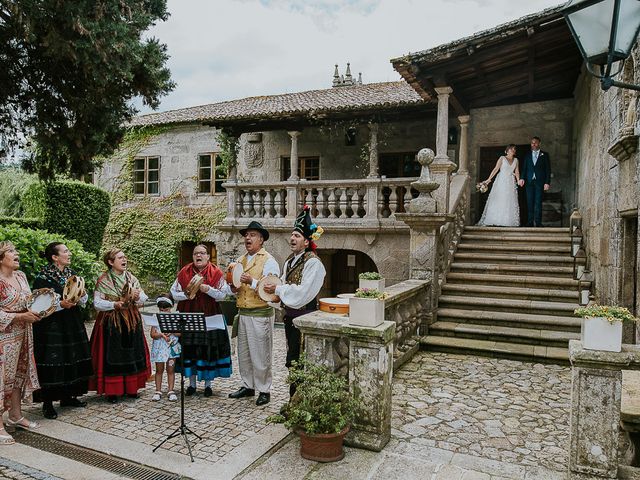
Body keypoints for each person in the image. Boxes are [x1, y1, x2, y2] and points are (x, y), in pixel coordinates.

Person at [263, 206, 326, 399]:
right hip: (290, 319)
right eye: (292, 234)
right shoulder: (290, 261)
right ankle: (294, 401)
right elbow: (282, 284)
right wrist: (272, 293)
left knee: (303, 362)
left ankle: (303, 401)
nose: (292, 238)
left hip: (305, 320)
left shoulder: (313, 263)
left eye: (297, 235)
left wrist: (279, 290)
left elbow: (304, 293)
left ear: (307, 241)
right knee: (293, 361)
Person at [32, 242, 93, 419]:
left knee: (72, 356)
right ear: (54, 257)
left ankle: (68, 396)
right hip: (51, 326)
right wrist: (60, 304)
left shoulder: (71, 275)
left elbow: (82, 299)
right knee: (53, 360)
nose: (69, 253)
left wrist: (81, 296)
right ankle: (48, 403)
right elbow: (38, 305)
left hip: (71, 322)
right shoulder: (43, 277)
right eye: (65, 251)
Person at [228, 221, 280, 406]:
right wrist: (233, 287)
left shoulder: (269, 261)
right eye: (246, 235)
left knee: (261, 353)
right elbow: (235, 285)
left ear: (261, 239)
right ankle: (248, 385)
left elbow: (270, 289)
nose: (247, 238)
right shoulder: (241, 260)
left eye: (252, 235)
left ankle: (264, 389)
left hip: (260, 313)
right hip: (243, 312)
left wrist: (251, 281)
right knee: (245, 353)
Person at [89, 248, 151, 403]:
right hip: (111, 321)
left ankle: (131, 388)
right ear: (111, 262)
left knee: (132, 352)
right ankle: (112, 390)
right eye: (120, 258)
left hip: (131, 320)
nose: (124, 260)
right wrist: (114, 304)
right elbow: (97, 303)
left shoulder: (131, 277)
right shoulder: (104, 280)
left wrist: (138, 297)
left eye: (125, 257)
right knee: (113, 355)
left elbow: (144, 297)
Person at [170, 244, 232, 397]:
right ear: (193, 256)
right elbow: (173, 292)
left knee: (208, 350)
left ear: (208, 256)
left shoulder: (215, 272)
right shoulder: (184, 272)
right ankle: (191, 384)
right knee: (190, 349)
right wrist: (188, 293)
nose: (199, 256)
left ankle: (208, 385)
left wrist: (208, 290)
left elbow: (223, 295)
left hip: (210, 317)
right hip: (189, 316)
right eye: (196, 253)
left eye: (202, 253)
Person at [0, 241, 40, 444]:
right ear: (1, 258)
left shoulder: (21, 276)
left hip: (23, 334)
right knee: (1, 378)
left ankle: (15, 415)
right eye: (11, 252)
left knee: (18, 374)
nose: (16, 254)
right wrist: (20, 317)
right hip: (3, 336)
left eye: (16, 251)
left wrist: (39, 309)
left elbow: (29, 300)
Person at [477, 144, 521, 227]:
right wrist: (488, 180)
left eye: (514, 149)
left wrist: (518, 180)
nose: (513, 150)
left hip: (511, 182)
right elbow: (496, 169)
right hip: (501, 181)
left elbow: (517, 171)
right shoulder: (502, 158)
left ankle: (508, 221)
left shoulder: (516, 160)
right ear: (507, 151)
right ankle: (494, 219)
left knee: (509, 200)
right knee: (499, 198)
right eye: (511, 149)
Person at [150, 295, 180, 402]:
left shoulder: (174, 318)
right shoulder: (155, 317)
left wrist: (171, 331)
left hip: (171, 348)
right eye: (161, 309)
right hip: (159, 349)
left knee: (170, 370)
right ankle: (158, 390)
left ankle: (170, 390)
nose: (163, 311)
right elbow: (152, 334)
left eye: (166, 309)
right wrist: (161, 334)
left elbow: (179, 333)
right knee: (159, 370)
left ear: (170, 307)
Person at [518, 136, 551, 227]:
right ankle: (530, 222)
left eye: (535, 142)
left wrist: (547, 182)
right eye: (532, 143)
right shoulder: (527, 155)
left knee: (538, 202)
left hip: (540, 182)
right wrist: (522, 178)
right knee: (529, 202)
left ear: (539, 143)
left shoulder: (545, 155)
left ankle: (538, 222)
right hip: (529, 182)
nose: (533, 144)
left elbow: (548, 170)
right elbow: (524, 169)